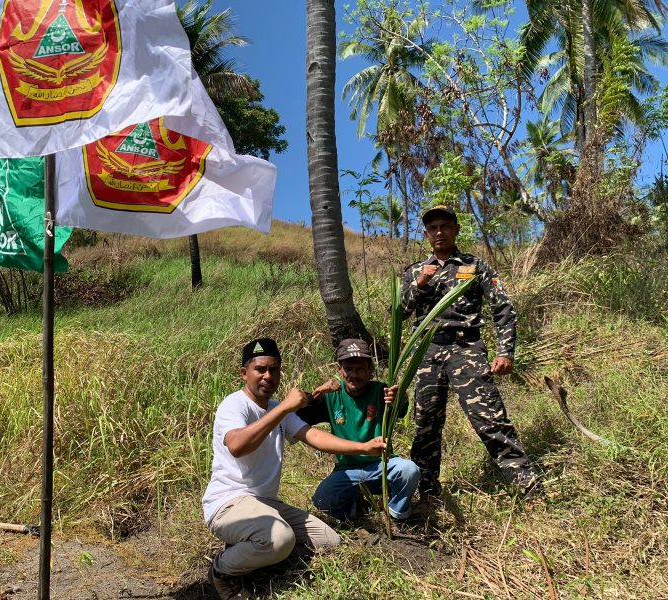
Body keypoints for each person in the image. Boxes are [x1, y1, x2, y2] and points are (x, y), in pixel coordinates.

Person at [202, 337, 387, 600]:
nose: (268, 376)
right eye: (260, 369)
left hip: (264, 503)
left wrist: (363, 447)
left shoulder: (278, 409)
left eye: (274, 369)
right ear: (244, 373)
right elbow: (237, 446)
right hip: (228, 503)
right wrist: (286, 407)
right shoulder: (234, 405)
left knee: (329, 542)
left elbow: (315, 437)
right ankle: (222, 569)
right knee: (281, 539)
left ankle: (254, 551)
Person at [402, 204, 536, 499]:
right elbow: (399, 313)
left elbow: (503, 308)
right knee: (426, 426)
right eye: (433, 228)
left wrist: (506, 351)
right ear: (426, 234)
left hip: (466, 349)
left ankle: (526, 486)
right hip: (427, 352)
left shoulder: (475, 266)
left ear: (456, 230)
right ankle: (427, 492)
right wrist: (421, 283)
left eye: (445, 226)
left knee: (489, 419)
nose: (439, 232)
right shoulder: (413, 271)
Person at [296, 338, 421, 524]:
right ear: (340, 370)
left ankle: (397, 514)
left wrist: (398, 398)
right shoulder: (331, 396)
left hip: (382, 464)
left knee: (409, 470)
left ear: (370, 370)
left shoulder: (381, 391)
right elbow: (300, 415)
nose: (354, 374)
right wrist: (316, 393)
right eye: (349, 369)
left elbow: (401, 410)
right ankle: (358, 510)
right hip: (347, 469)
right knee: (323, 499)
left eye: (360, 368)